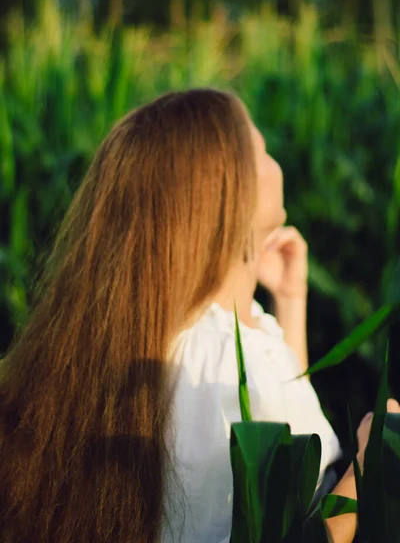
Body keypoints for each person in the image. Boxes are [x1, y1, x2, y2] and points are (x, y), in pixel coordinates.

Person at [0, 88, 398, 543]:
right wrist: (370, 469)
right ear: (231, 195)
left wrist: (290, 299)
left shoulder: (161, 332)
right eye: (262, 148)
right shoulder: (224, 367)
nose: (274, 159)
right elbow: (290, 527)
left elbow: (286, 427)